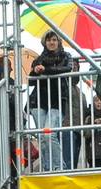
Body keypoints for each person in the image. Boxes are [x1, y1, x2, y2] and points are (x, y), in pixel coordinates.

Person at [30, 31, 79, 173]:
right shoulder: (39, 59)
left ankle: (58, 166)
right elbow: (31, 79)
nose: (51, 43)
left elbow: (67, 68)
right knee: (42, 137)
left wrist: (46, 70)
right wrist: (36, 70)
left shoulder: (66, 56)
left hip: (57, 100)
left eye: (54, 40)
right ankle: (47, 167)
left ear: (59, 42)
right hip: (37, 101)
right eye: (48, 40)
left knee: (49, 134)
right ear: (44, 43)